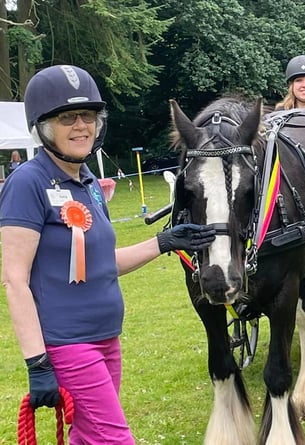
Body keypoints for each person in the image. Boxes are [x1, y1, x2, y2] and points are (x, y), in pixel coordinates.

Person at [0, 65, 217, 443]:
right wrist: (37, 362)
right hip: (68, 344)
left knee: (88, 437)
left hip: (106, 338)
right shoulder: (27, 182)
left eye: (89, 116)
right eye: (67, 117)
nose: (82, 125)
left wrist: (163, 242)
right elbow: (14, 280)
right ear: (43, 126)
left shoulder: (88, 182)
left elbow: (99, 264)